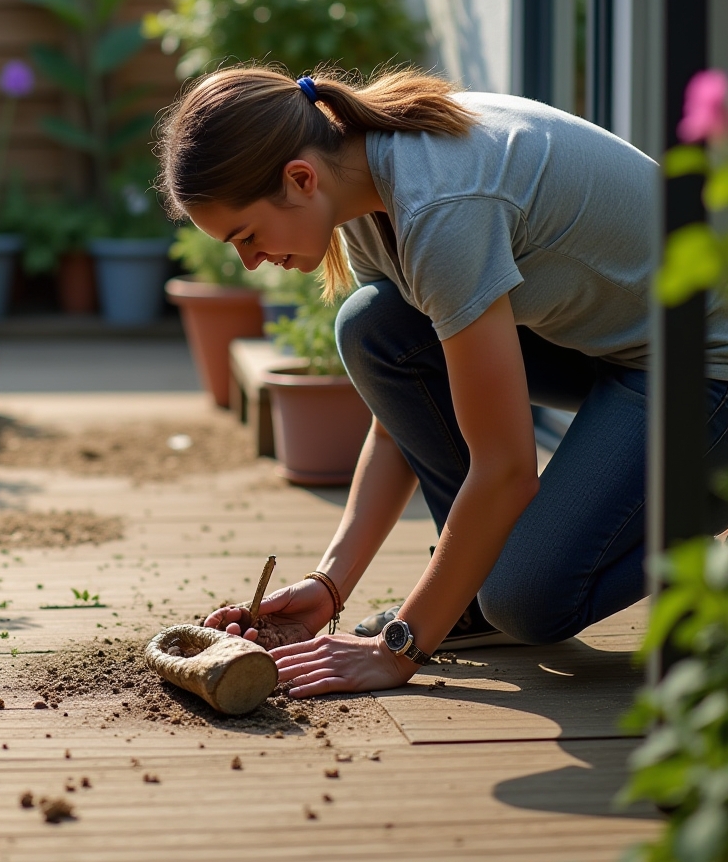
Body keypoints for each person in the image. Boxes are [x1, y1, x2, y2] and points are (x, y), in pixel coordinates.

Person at [156, 64, 728, 698]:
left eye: (246, 235)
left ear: (299, 178)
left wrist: (398, 646)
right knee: (376, 329)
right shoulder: (363, 182)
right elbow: (400, 419)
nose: (250, 261)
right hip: (617, 341)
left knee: (526, 599)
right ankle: (468, 592)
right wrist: (330, 584)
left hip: (704, 363)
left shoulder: (441, 208)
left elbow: (507, 470)